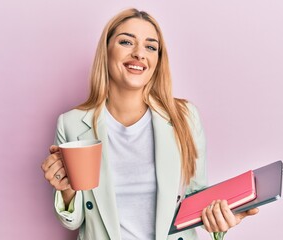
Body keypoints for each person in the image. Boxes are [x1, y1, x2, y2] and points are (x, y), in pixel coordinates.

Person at [41, 8, 258, 240]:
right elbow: (74, 221)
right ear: (106, 51)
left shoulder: (184, 117)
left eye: (151, 47)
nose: (139, 54)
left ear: (157, 60)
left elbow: (195, 198)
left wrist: (222, 217)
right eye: (126, 42)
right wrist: (66, 190)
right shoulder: (71, 124)